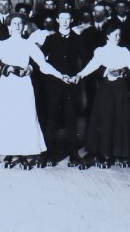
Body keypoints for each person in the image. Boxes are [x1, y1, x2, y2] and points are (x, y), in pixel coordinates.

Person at [0, 15, 71, 169]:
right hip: (7, 86)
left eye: (20, 23)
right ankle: (9, 153)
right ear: (9, 28)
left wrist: (60, 75)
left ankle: (23, 155)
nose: (17, 25)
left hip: (24, 86)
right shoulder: (0, 45)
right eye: (14, 23)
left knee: (24, 118)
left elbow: (43, 65)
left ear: (24, 27)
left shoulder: (29, 45)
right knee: (8, 118)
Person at [74, 24, 130, 169]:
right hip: (105, 89)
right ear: (108, 35)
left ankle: (118, 153)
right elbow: (93, 65)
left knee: (120, 118)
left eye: (119, 35)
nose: (117, 37)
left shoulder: (124, 51)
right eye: (114, 34)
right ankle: (105, 154)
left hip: (120, 89)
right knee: (106, 119)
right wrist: (80, 74)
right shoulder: (100, 50)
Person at [39, 10, 86, 167]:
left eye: (68, 19)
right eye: (62, 19)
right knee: (51, 119)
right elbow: (41, 61)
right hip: (54, 85)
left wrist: (78, 75)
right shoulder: (50, 39)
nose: (65, 21)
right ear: (58, 20)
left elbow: (86, 60)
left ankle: (73, 154)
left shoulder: (78, 39)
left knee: (71, 119)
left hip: (71, 85)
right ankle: (47, 154)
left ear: (71, 20)